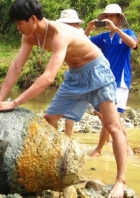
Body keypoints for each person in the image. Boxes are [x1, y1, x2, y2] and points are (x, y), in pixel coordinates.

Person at [0, 0, 128, 197]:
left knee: (112, 126)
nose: (17, 28)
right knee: (49, 120)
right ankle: (58, 167)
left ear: (33, 18)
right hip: (74, 75)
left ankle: (120, 181)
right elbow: (16, 66)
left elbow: (48, 77)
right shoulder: (29, 36)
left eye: (19, 23)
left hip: (97, 71)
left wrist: (14, 103)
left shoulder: (60, 34)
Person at [84, 4, 138, 157]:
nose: (108, 19)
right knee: (110, 117)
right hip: (105, 81)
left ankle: (100, 150)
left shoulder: (126, 33)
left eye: (112, 16)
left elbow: (133, 44)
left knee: (112, 117)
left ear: (119, 18)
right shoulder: (103, 37)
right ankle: (124, 147)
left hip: (120, 82)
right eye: (107, 17)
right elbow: (84, 43)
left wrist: (117, 30)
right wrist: (87, 29)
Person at [56, 8, 84, 137]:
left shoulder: (80, 36)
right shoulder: (64, 36)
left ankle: (122, 145)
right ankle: (67, 139)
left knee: (105, 115)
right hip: (74, 76)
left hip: (90, 77)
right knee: (66, 111)